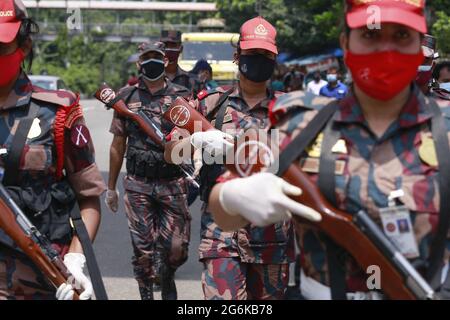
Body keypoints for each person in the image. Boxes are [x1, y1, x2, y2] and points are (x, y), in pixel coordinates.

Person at [209, 0, 450, 300]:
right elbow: (222, 206)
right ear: (346, 43)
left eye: (401, 35)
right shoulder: (302, 124)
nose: (385, 49)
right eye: (370, 35)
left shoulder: (445, 131)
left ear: (421, 47)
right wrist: (234, 199)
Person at [164, 16, 294, 300]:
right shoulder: (212, 105)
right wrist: (196, 140)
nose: (258, 60)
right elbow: (171, 153)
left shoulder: (291, 110)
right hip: (221, 237)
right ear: (237, 57)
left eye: (265, 55)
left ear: (274, 58)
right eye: (252, 54)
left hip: (273, 239)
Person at [0, 0, 105, 300]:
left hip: (43, 281)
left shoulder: (56, 111)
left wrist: (75, 259)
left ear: (24, 45)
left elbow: (88, 198)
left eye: (1, 46)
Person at [105, 41, 192, 300]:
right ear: (138, 63)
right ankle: (146, 295)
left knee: (177, 249)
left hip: (172, 182)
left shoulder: (182, 96)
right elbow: (117, 144)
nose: (151, 62)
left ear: (166, 62)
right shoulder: (126, 97)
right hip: (137, 183)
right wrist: (110, 188)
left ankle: (167, 276)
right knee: (143, 251)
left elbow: (193, 140)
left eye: (157, 57)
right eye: (146, 57)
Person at [160, 30, 201, 97]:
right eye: (165, 45)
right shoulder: (151, 81)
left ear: (181, 48)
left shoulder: (192, 81)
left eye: (173, 45)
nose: (169, 49)